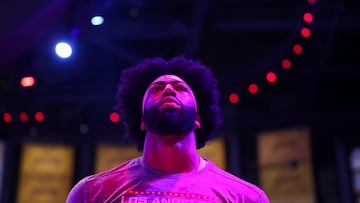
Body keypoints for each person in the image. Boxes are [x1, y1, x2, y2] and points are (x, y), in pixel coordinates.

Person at [66, 56, 270, 203]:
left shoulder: (246, 197)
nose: (169, 89)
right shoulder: (92, 193)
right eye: (156, 89)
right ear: (142, 121)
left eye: (180, 88)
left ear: (198, 118)